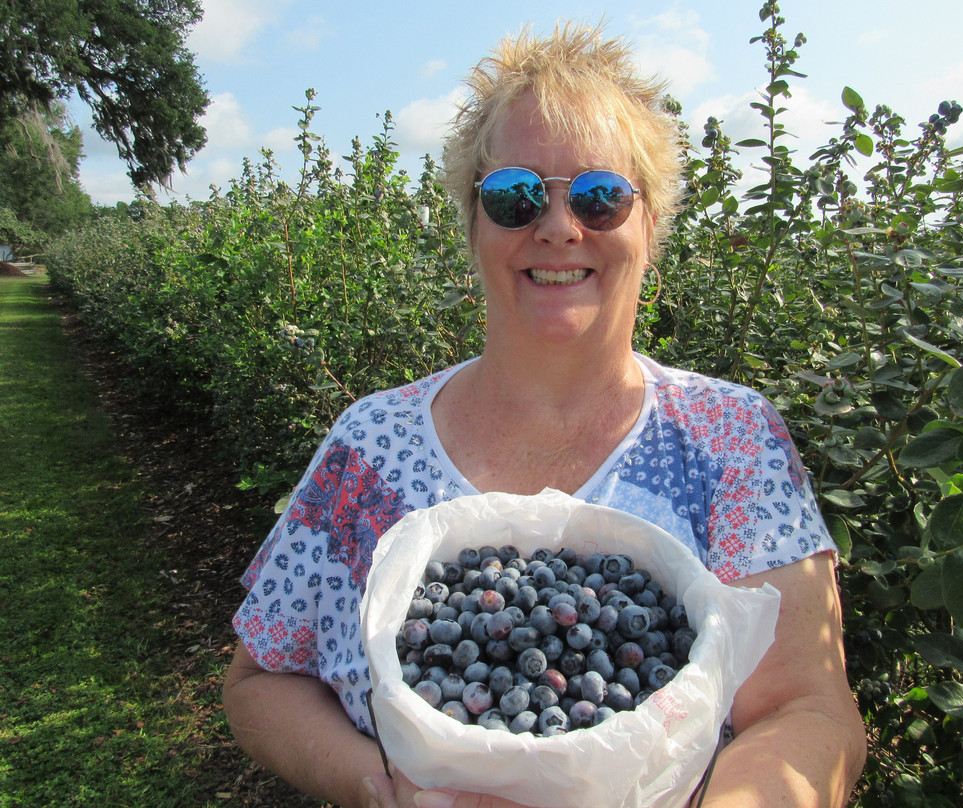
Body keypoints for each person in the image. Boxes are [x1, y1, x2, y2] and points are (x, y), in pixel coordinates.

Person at [222, 22, 867, 808]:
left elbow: (809, 711)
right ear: (472, 223)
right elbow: (260, 680)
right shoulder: (369, 448)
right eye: (516, 194)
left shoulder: (732, 441)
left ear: (650, 224)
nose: (559, 226)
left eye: (601, 197)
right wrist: (377, 789)